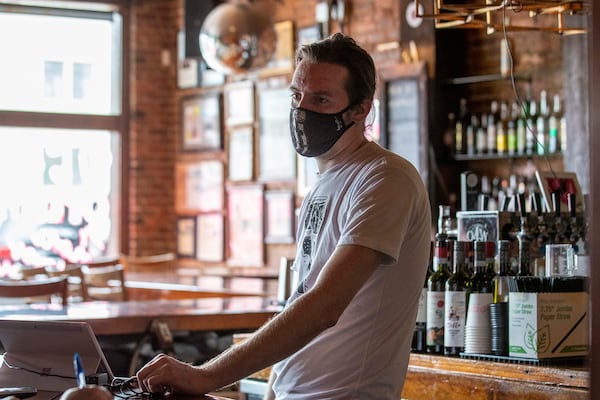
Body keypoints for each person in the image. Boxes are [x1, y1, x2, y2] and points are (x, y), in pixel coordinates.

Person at [136, 32, 432, 400]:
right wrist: (275, 387)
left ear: (361, 109)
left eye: (321, 99)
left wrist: (205, 376)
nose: (302, 110)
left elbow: (324, 305)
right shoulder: (323, 184)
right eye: (296, 96)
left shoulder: (386, 178)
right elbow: (300, 301)